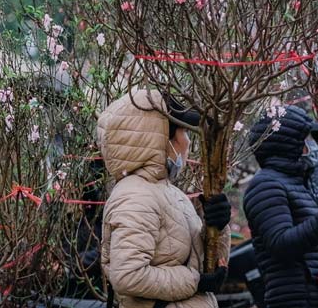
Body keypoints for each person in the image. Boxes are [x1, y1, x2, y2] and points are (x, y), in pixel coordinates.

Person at [99, 89, 231, 308]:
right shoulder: (135, 198)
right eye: (182, 132)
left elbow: (195, 260)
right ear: (161, 138)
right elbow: (128, 275)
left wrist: (217, 225)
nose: (187, 142)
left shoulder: (167, 191)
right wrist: (195, 282)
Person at [243, 106, 318, 308]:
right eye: (306, 139)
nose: (314, 145)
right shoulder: (265, 186)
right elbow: (281, 244)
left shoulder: (305, 183)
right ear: (288, 144)